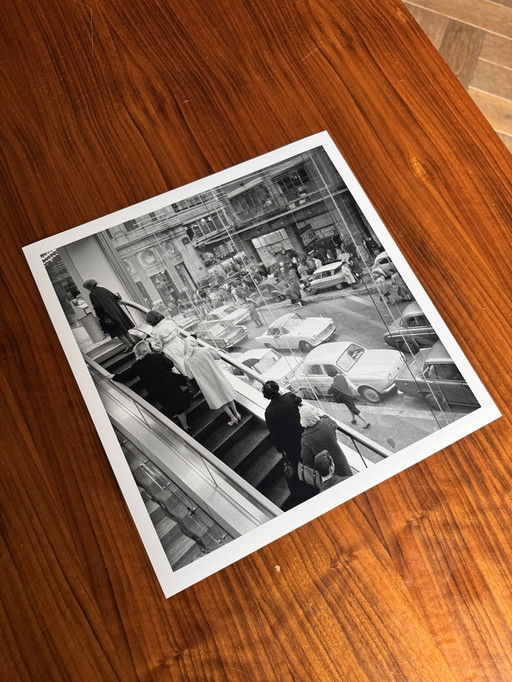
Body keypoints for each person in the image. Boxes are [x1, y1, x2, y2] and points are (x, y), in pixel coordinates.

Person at [111, 341, 191, 431]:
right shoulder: (157, 357)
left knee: (167, 403)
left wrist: (114, 376)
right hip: (169, 384)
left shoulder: (137, 365)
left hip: (156, 389)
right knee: (177, 404)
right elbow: (170, 364)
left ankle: (178, 416)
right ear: (148, 349)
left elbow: (128, 376)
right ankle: (186, 426)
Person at [262, 381, 318, 508]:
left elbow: (274, 433)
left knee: (299, 464)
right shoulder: (289, 397)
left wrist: (280, 448)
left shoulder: (269, 411)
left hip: (290, 444)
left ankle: (308, 486)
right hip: (303, 434)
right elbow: (299, 402)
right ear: (277, 389)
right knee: (311, 457)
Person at [183, 337, 241, 425]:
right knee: (227, 393)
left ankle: (232, 418)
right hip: (216, 376)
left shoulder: (187, 361)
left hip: (206, 383)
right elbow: (218, 356)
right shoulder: (205, 350)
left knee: (218, 399)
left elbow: (190, 376)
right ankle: (237, 413)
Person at [299, 404, 353, 478]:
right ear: (315, 414)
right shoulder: (326, 423)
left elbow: (306, 458)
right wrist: (323, 415)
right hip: (340, 459)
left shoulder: (305, 438)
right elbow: (334, 423)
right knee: (348, 477)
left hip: (324, 468)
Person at [83, 279, 136, 352]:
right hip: (117, 311)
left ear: (89, 287)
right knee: (122, 328)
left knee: (116, 330)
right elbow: (116, 297)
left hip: (108, 314)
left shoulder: (92, 294)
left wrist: (101, 316)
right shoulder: (103, 289)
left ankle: (128, 344)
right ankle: (132, 340)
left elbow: (97, 306)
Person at [145, 310, 188, 375]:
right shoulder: (170, 322)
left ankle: (190, 378)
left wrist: (151, 341)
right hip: (179, 342)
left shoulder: (156, 331)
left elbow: (158, 347)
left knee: (181, 364)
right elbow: (178, 332)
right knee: (188, 359)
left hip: (170, 349)